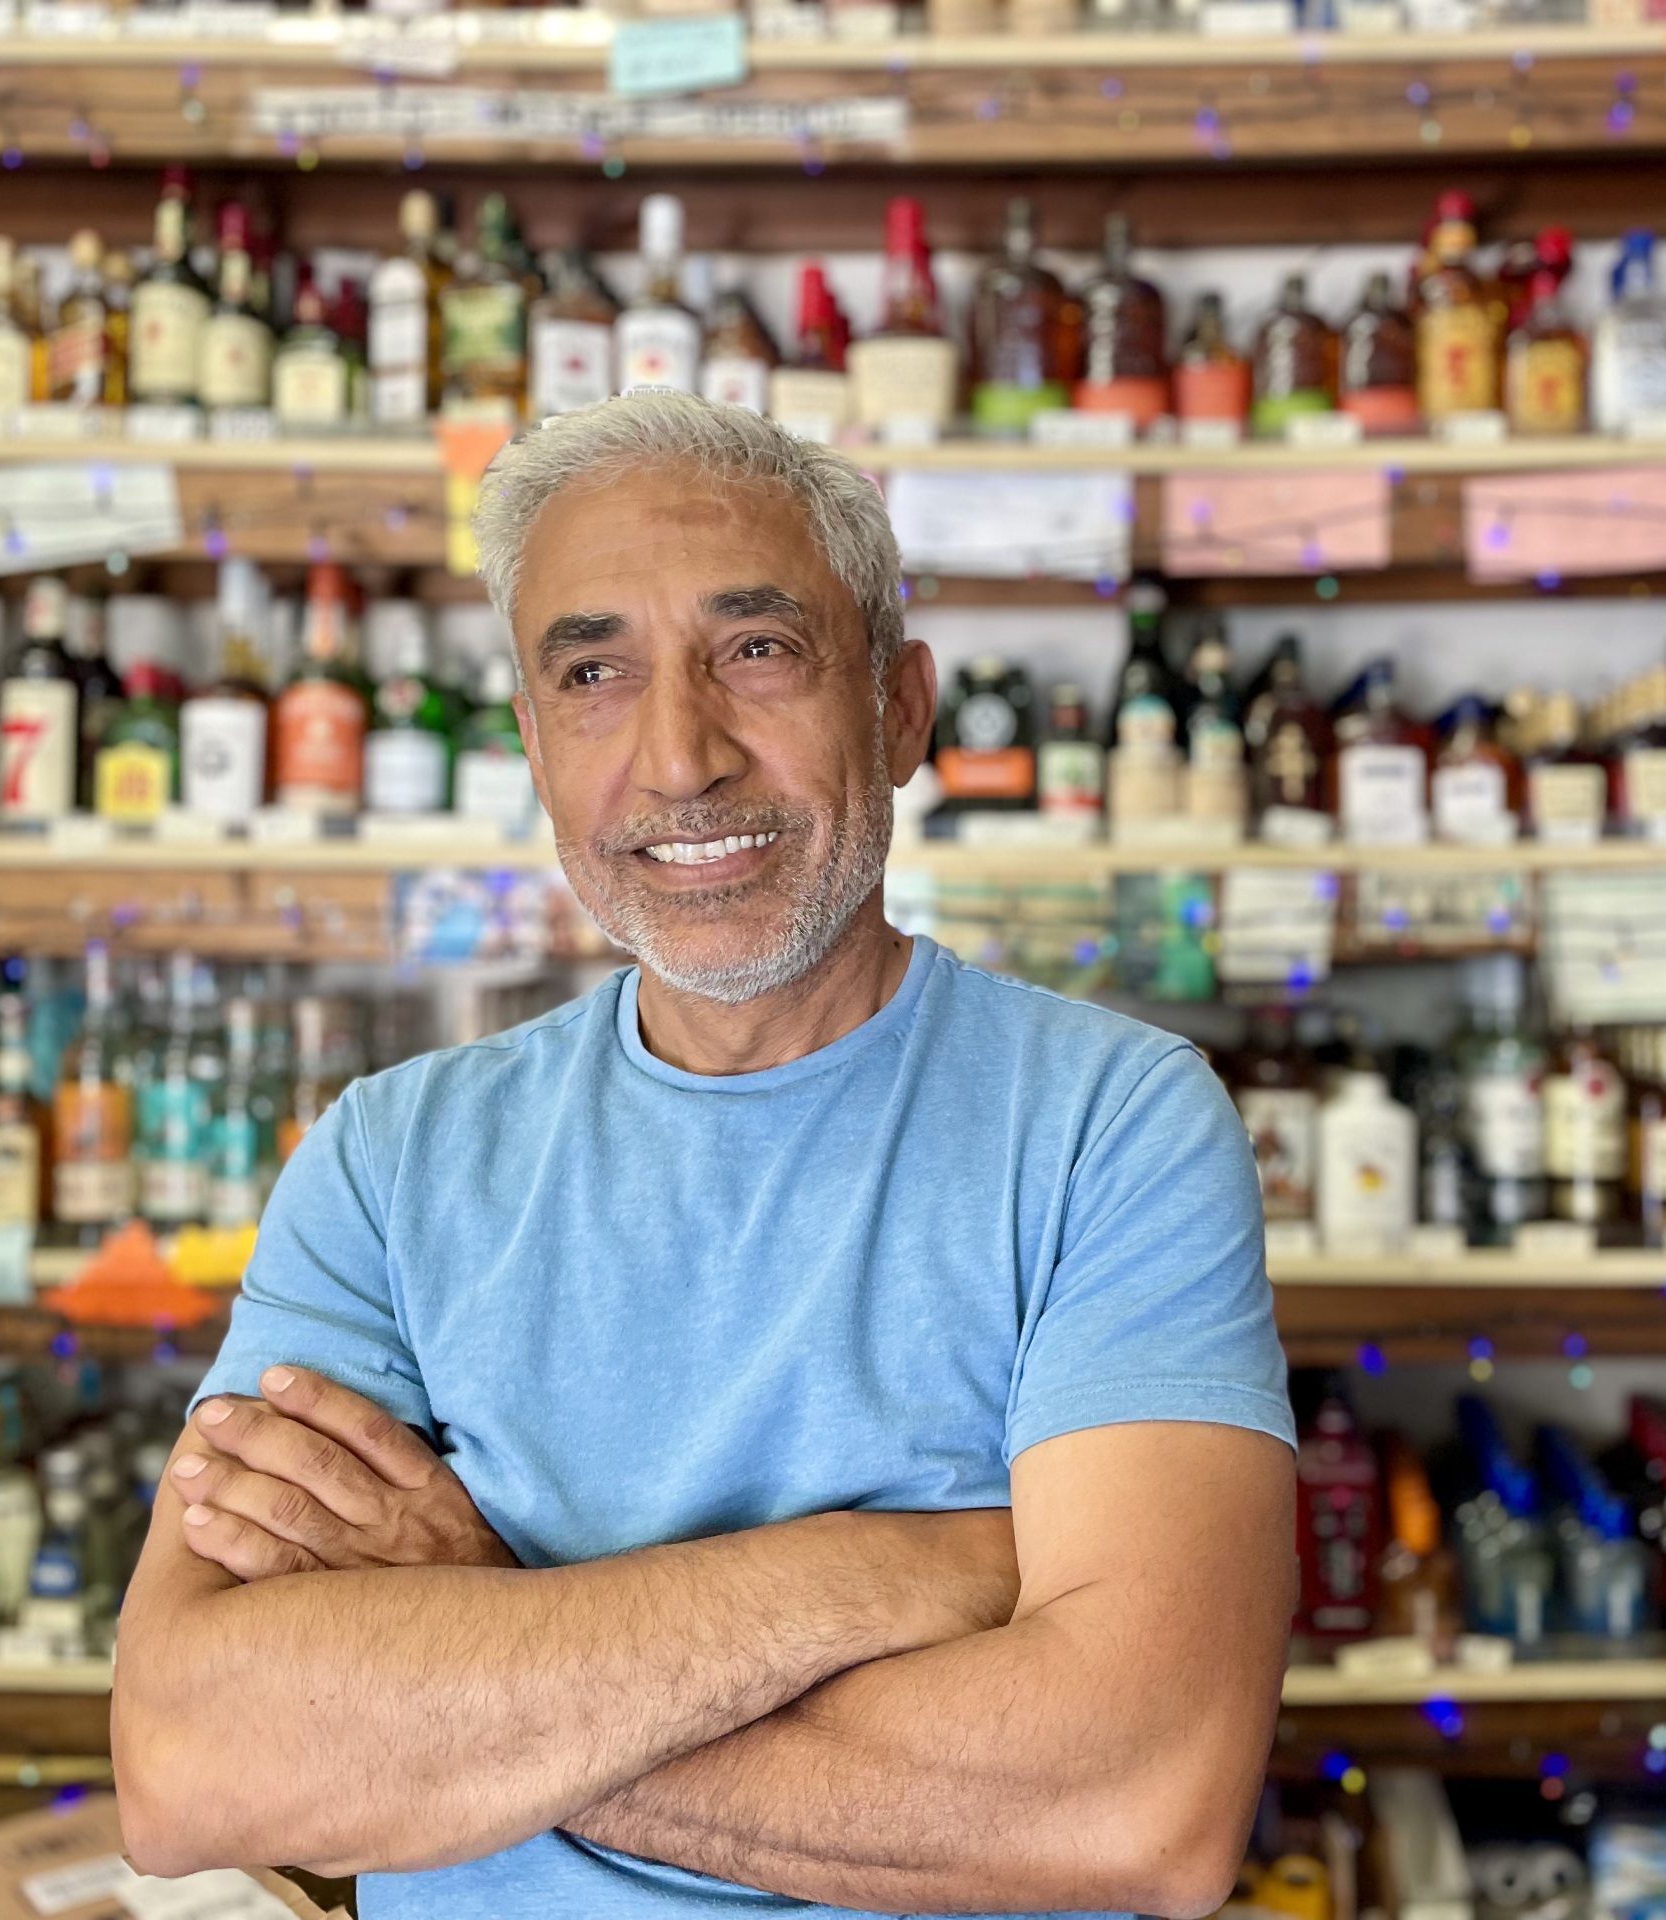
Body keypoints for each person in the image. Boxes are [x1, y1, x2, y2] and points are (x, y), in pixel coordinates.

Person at [111, 390, 1299, 1919]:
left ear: (900, 708)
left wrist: (472, 1646)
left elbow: (1139, 1802)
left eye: (759, 651)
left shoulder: (1107, 1124)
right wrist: (896, 1573)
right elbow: (195, 1759)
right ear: (535, 746)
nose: (680, 758)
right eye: (593, 673)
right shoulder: (387, 1163)